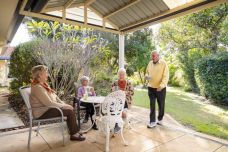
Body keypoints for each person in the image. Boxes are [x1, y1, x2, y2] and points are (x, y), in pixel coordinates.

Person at [30, 65, 85, 141]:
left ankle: (74, 131)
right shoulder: (37, 87)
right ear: (40, 75)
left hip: (48, 109)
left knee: (69, 109)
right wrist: (64, 106)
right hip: (42, 112)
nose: (48, 75)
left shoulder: (44, 85)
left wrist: (64, 104)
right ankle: (74, 134)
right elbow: (49, 103)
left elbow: (55, 97)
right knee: (69, 111)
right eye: (46, 72)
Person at [146, 51, 169, 128]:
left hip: (160, 88)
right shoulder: (150, 63)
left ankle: (160, 119)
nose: (153, 57)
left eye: (154, 56)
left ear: (158, 56)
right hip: (151, 87)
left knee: (161, 104)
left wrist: (161, 85)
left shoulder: (163, 63)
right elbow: (147, 72)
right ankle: (152, 121)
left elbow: (166, 76)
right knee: (152, 104)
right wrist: (147, 77)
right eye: (152, 56)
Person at [111, 68, 134, 132]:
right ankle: (118, 122)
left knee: (118, 108)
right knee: (113, 107)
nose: (121, 75)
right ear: (118, 74)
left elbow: (132, 92)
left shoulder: (128, 82)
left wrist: (126, 92)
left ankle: (117, 124)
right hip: (116, 100)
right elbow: (111, 91)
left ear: (125, 74)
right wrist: (114, 91)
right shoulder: (115, 82)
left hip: (125, 100)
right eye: (120, 74)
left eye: (123, 74)